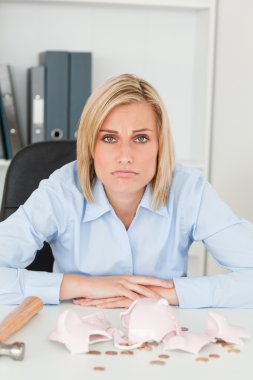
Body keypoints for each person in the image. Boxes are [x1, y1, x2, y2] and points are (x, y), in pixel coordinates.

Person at [0, 74, 253, 309]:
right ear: (90, 146)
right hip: (77, 333)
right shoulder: (62, 191)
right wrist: (84, 286)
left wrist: (168, 293)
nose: (125, 157)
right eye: (109, 138)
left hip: (161, 336)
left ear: (160, 146)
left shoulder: (188, 190)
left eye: (141, 138)